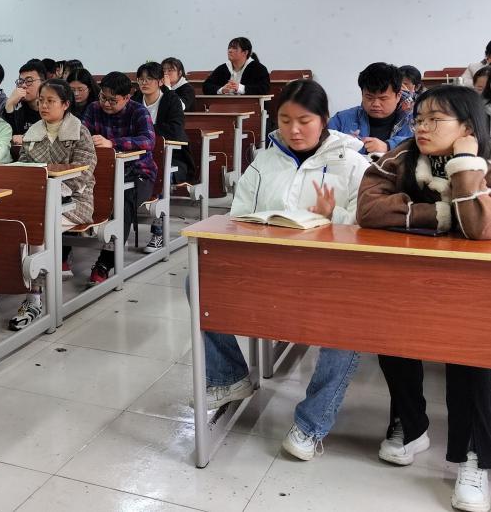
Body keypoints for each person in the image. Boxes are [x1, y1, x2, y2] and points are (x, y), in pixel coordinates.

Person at [193, 79, 369, 461]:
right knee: (201, 280)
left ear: (324, 119)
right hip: (270, 268)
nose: (293, 130)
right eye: (285, 120)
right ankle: (229, 377)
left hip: (331, 277)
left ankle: (312, 423)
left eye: (304, 121)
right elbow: (239, 213)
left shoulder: (354, 163)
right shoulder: (265, 159)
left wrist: (333, 216)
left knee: (349, 325)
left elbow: (369, 228)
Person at [357, 85, 491, 512]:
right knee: (393, 336)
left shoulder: (486, 161)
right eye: (419, 118)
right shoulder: (403, 155)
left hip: (475, 288)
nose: (422, 127)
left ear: (467, 127)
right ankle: (411, 426)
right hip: (413, 281)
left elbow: (480, 228)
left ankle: (475, 457)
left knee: (473, 356)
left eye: (435, 120)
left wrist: (465, 166)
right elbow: (369, 208)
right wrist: (444, 215)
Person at [12, 78, 96, 327]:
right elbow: (24, 168)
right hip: (38, 201)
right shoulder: (33, 132)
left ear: (66, 104)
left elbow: (83, 172)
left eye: (50, 101)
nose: (44, 106)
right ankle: (3, 287)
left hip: (75, 201)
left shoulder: (79, 132)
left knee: (38, 229)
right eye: (41, 101)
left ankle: (34, 298)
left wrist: (51, 193)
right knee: (17, 228)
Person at [81, 72, 158, 284]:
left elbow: (148, 141)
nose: (106, 104)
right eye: (103, 97)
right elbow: (81, 134)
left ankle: (106, 261)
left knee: (123, 200)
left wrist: (112, 143)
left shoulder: (138, 111)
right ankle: (63, 254)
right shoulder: (93, 109)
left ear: (127, 97)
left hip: (138, 174)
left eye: (113, 100)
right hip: (102, 174)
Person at [134, 62, 195, 250]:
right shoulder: (135, 100)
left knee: (160, 174)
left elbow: (175, 130)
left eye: (149, 79)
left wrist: (145, 131)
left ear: (160, 81)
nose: (144, 83)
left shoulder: (171, 100)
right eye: (141, 79)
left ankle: (158, 232)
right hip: (138, 157)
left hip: (173, 159)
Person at [328, 62, 413, 156]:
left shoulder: (413, 121)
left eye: (383, 98)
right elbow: (323, 143)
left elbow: (417, 143)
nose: (376, 104)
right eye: (369, 97)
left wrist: (388, 146)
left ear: (398, 96)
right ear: (362, 94)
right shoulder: (341, 120)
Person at [202, 37, 270, 96]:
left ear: (245, 53)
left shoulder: (258, 69)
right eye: (229, 48)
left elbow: (264, 89)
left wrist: (241, 88)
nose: (230, 51)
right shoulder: (223, 68)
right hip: (225, 105)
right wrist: (222, 90)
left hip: (249, 105)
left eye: (234, 48)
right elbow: (206, 86)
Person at [3, 60, 47, 142]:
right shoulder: (18, 109)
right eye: (21, 81)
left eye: (29, 81)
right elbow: (9, 138)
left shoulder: (51, 108)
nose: (23, 85)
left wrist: (25, 138)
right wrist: (9, 106)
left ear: (43, 83)